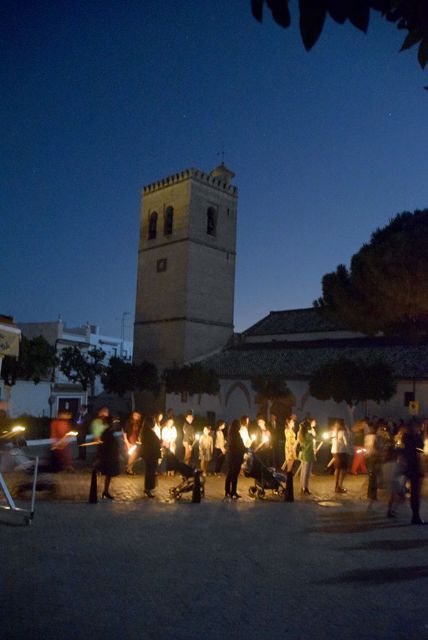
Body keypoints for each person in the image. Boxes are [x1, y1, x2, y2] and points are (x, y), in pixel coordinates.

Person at [401, 421, 425, 525]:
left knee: (414, 493)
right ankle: (416, 516)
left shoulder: (406, 438)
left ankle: (415, 515)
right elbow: (420, 451)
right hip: (416, 467)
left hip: (410, 467)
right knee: (416, 493)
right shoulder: (416, 438)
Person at [98, 416, 121, 499]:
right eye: (113, 422)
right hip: (109, 457)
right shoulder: (108, 432)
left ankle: (106, 490)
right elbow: (107, 445)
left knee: (109, 475)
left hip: (110, 456)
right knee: (108, 474)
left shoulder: (109, 432)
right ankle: (105, 491)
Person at [140, 417, 161, 498]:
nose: (154, 423)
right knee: (150, 472)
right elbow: (150, 443)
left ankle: (148, 488)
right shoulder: (147, 431)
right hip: (150, 454)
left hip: (151, 454)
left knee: (150, 472)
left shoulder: (147, 431)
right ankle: (148, 488)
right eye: (153, 421)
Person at [225, 419, 246, 499]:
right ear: (236, 426)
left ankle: (227, 491)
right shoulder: (236, 435)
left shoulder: (231, 434)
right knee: (234, 475)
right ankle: (233, 492)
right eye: (239, 425)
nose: (240, 426)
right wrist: (245, 449)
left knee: (230, 474)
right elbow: (239, 446)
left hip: (231, 457)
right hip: (235, 458)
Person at [298, 419, 316, 495]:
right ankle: (306, 488)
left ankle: (302, 486)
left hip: (303, 454)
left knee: (303, 471)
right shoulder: (309, 435)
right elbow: (314, 439)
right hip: (308, 454)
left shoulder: (301, 434)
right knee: (307, 473)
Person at [331, 420, 348, 494]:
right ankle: (339, 486)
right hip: (341, 451)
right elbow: (346, 442)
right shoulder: (343, 432)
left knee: (337, 469)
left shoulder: (333, 432)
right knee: (343, 469)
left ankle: (336, 485)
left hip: (334, 451)